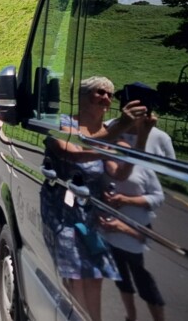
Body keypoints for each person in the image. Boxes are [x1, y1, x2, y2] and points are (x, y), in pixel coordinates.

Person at [41, 76, 149, 321]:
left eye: (110, 94)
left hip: (90, 215)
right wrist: (118, 129)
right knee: (76, 276)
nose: (106, 98)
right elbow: (75, 154)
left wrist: (141, 136)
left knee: (95, 275)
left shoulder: (109, 133)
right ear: (82, 96)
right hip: (62, 212)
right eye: (100, 92)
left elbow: (119, 171)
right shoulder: (64, 124)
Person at [100, 149, 166, 321]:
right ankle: (130, 317)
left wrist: (126, 200)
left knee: (144, 281)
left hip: (136, 235)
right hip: (112, 234)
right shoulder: (104, 164)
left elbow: (158, 197)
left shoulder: (142, 167)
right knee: (121, 278)